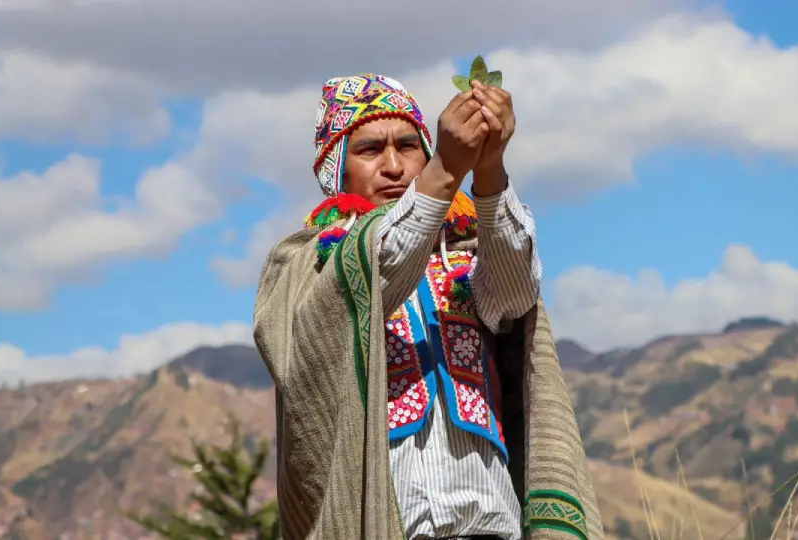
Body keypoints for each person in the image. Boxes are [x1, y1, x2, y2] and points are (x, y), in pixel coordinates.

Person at [254, 74, 603, 540]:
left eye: (408, 146)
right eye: (370, 150)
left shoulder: (468, 248)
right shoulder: (310, 265)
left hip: (491, 525)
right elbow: (375, 271)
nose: (394, 166)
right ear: (335, 168)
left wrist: (489, 166)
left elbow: (515, 296)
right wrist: (444, 169)